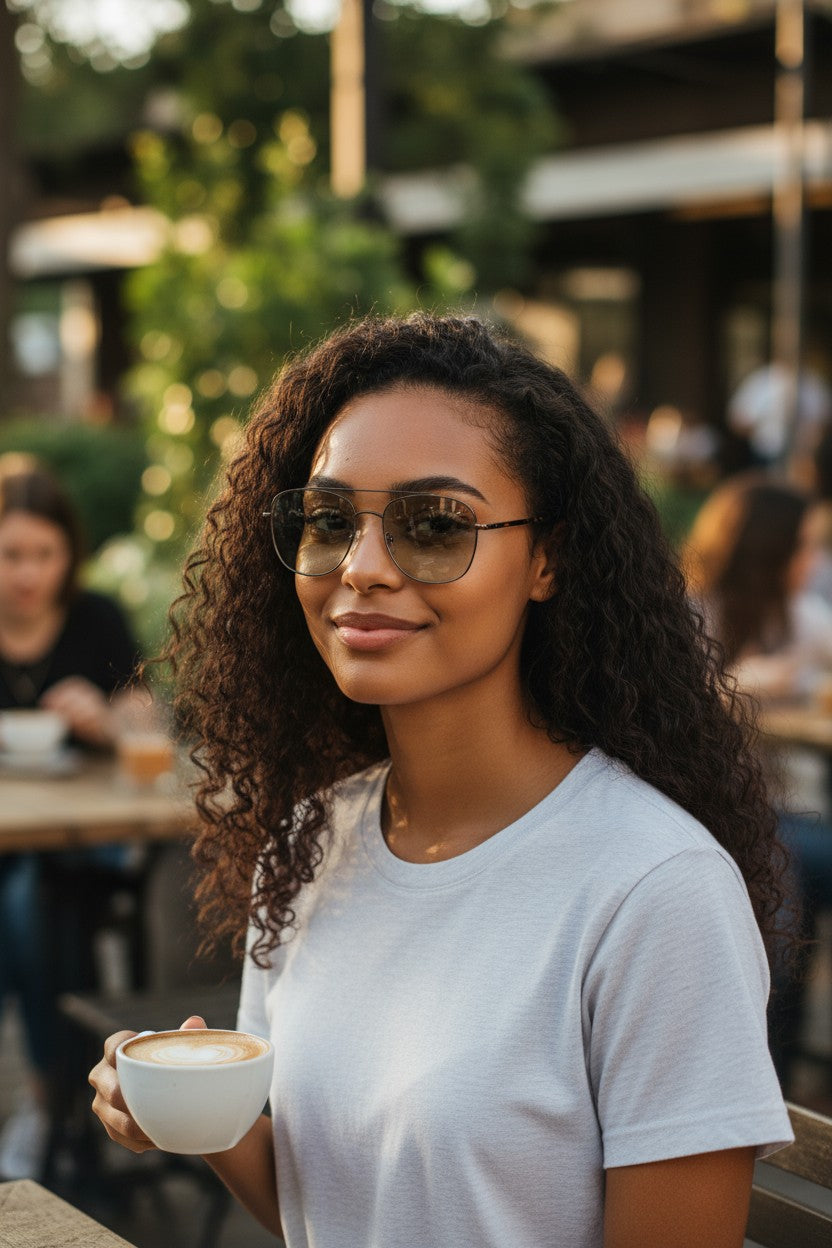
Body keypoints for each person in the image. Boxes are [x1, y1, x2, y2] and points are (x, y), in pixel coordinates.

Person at [91, 314, 792, 1248]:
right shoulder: (312, 842)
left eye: (435, 526)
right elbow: (333, 1209)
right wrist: (192, 1108)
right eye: (330, 521)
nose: (363, 567)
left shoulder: (654, 890)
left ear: (547, 559)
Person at [0, 455, 141, 1179]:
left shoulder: (95, 619)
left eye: (43, 554)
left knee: (31, 900)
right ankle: (56, 1118)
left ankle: (46, 1106)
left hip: (87, 844)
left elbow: (148, 724)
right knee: (23, 902)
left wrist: (107, 718)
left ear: (68, 555)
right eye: (10, 554)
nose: (27, 573)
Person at [683, 472, 832, 1094]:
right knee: (784, 867)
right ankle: (764, 1073)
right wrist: (748, 685)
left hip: (808, 809)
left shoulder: (809, 617)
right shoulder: (691, 613)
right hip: (726, 811)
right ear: (766, 548)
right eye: (803, 546)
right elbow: (672, 707)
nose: (813, 561)